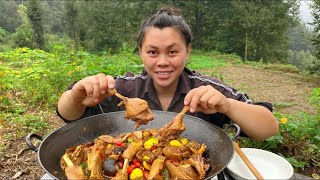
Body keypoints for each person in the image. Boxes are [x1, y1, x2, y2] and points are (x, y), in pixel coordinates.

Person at [57, 7, 278, 141]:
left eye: (172, 52)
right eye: (153, 52)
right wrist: (76, 96)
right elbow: (68, 114)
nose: (163, 62)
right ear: (141, 53)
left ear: (187, 51)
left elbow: (269, 128)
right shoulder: (124, 88)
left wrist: (228, 106)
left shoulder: (207, 90)